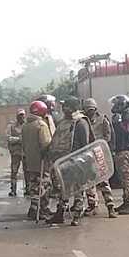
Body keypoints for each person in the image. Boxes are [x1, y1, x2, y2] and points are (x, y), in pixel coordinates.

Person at [45, 96, 92, 226]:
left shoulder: (81, 123)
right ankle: (60, 213)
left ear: (72, 107)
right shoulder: (63, 122)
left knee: (78, 189)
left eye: (66, 106)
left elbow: (85, 144)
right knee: (63, 189)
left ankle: (76, 215)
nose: (63, 108)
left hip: (76, 160)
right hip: (62, 161)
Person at [83, 98, 117, 218]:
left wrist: (104, 147)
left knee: (104, 180)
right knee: (89, 182)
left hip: (99, 153)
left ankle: (110, 206)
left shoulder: (103, 119)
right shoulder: (83, 121)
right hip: (87, 155)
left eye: (91, 110)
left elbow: (109, 135)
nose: (90, 113)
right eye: (88, 110)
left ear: (95, 109)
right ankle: (92, 206)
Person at [22, 101, 53, 221]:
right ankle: (43, 210)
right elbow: (46, 144)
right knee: (44, 186)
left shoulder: (25, 126)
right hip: (42, 162)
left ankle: (33, 209)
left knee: (35, 186)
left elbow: (24, 144)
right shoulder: (41, 125)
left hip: (30, 161)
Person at [111, 95, 129, 215]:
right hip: (120, 151)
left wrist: (119, 123)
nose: (114, 106)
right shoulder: (122, 117)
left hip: (125, 152)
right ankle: (126, 201)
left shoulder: (127, 118)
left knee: (127, 178)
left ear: (122, 105)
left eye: (116, 104)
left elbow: (127, 133)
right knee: (123, 178)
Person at [6, 109, 28, 197]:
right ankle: (13, 190)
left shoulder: (27, 125)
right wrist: (19, 139)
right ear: (17, 116)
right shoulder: (11, 126)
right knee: (14, 171)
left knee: (27, 171)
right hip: (15, 152)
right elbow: (8, 138)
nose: (22, 117)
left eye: (23, 115)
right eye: (20, 115)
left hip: (25, 152)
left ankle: (28, 189)